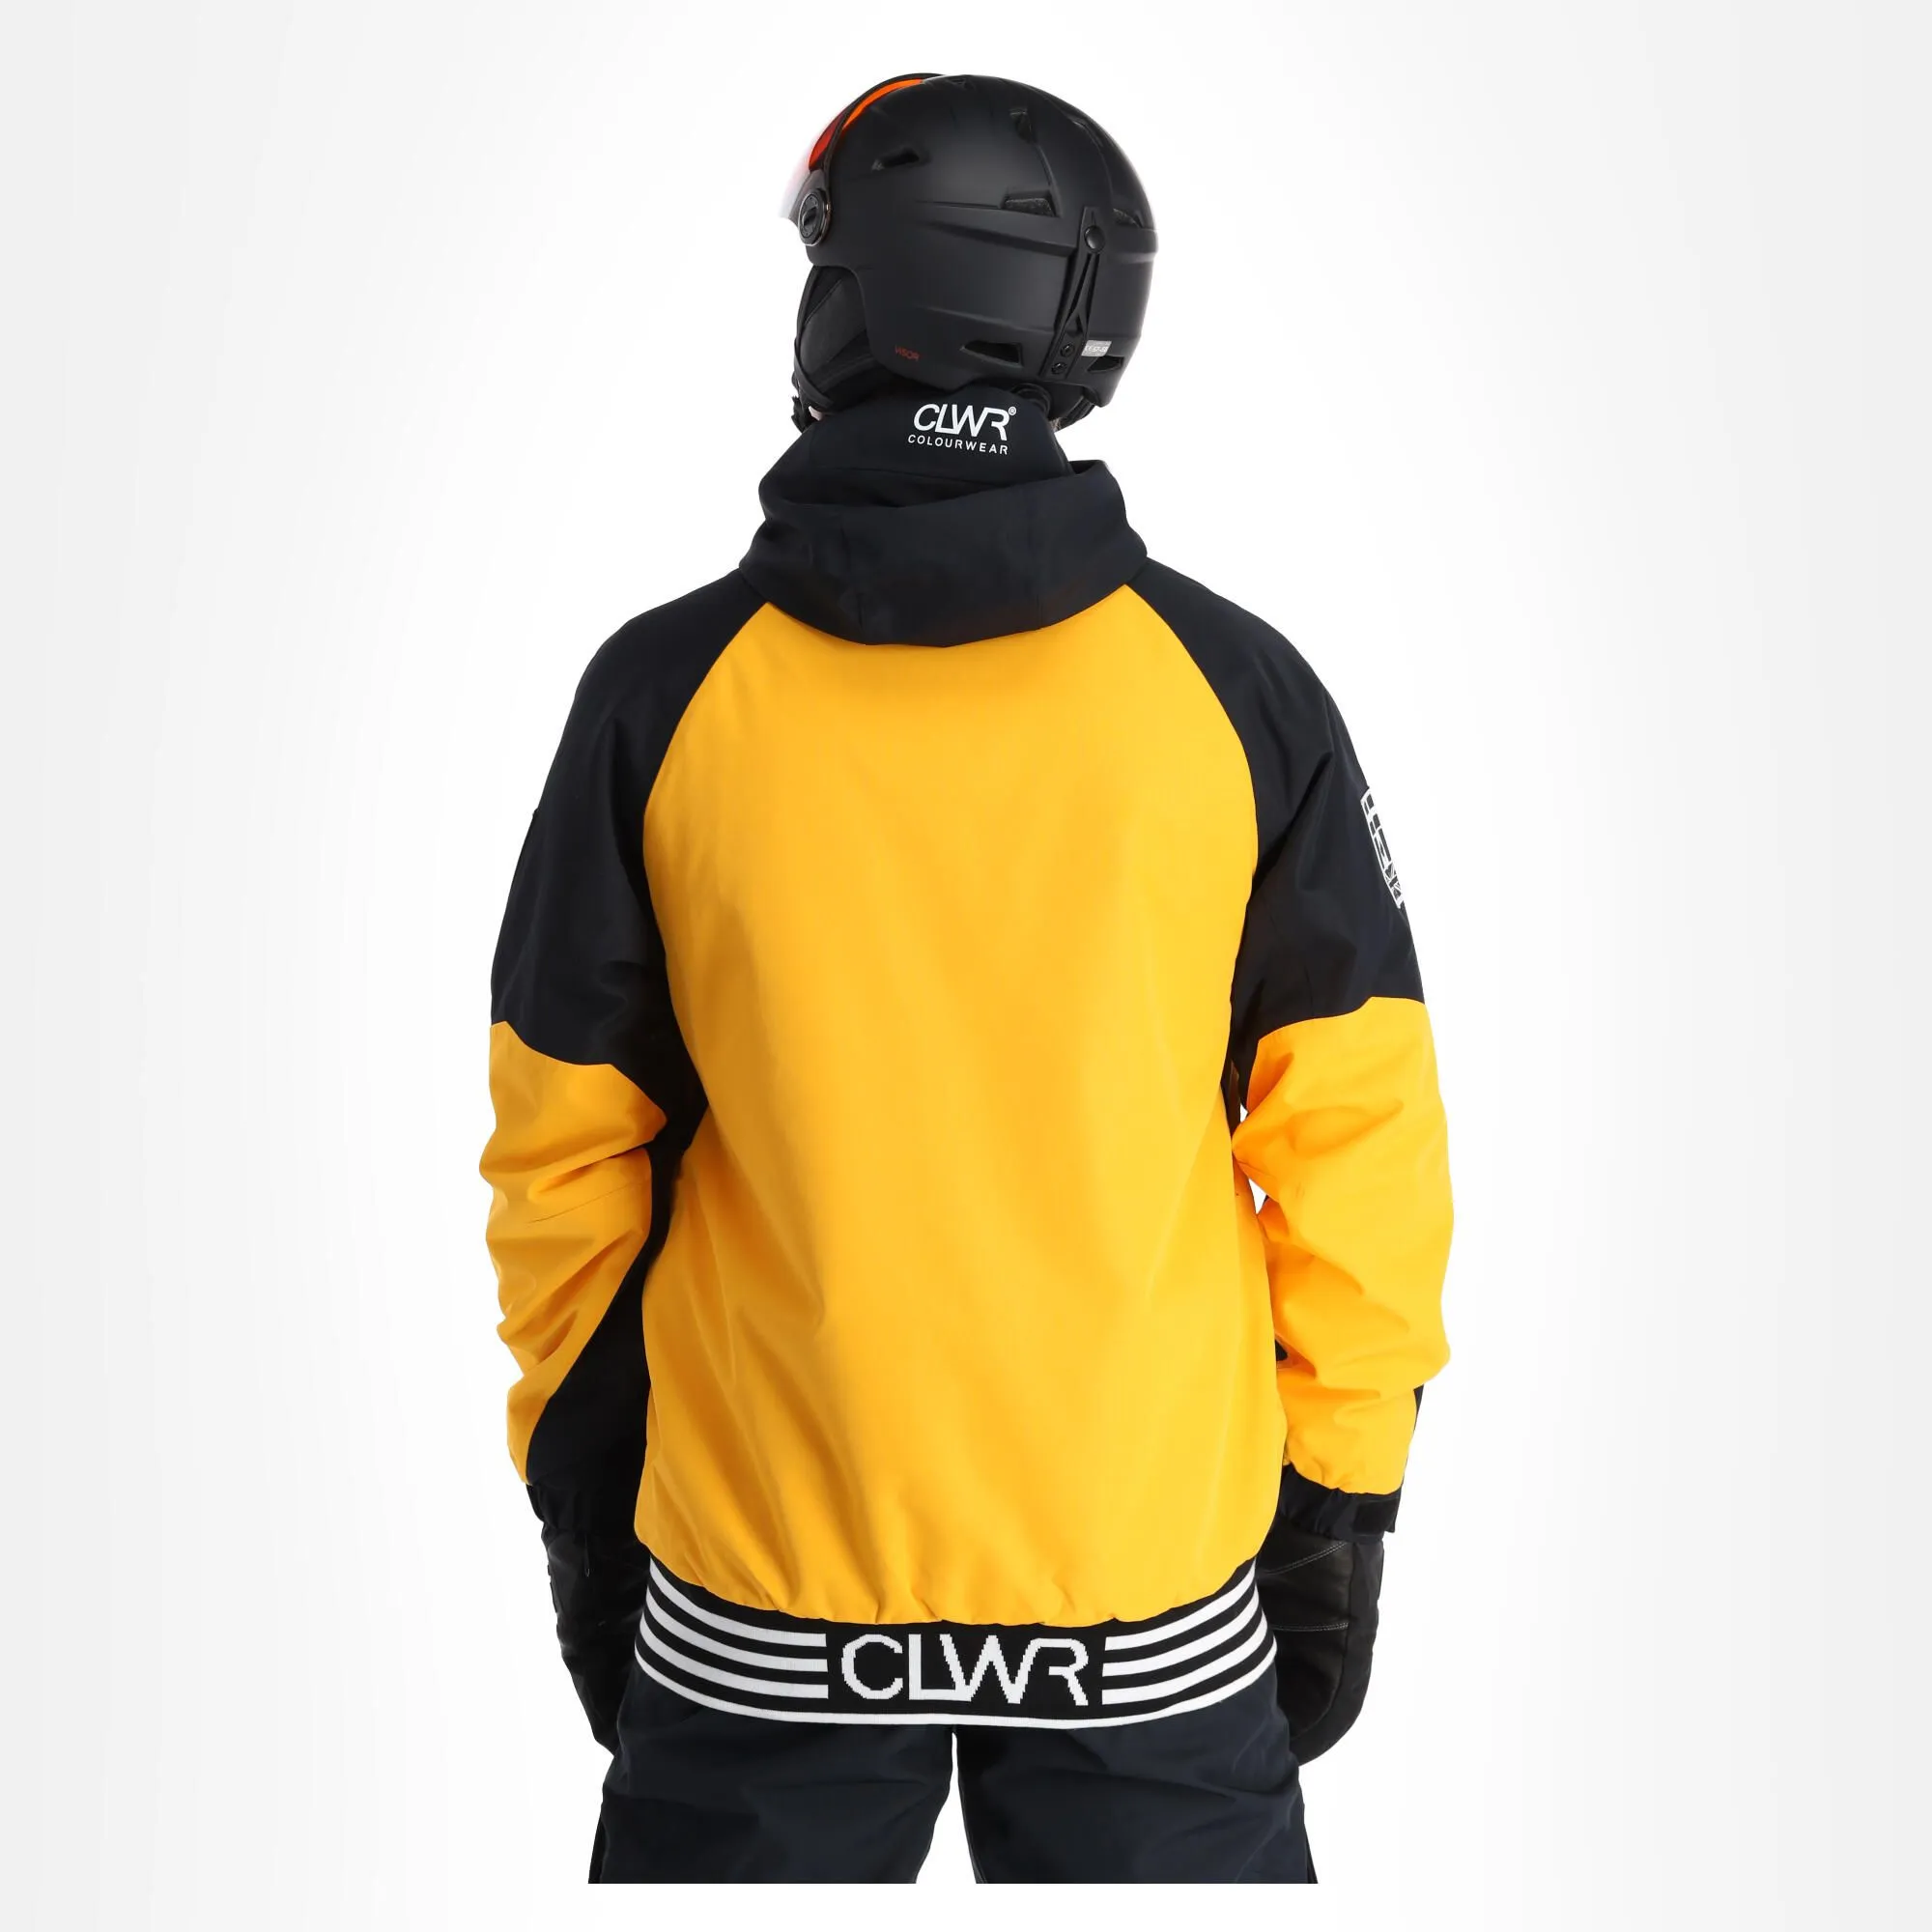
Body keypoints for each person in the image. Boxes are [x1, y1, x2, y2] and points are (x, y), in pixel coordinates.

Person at [481, 71, 1453, 1885]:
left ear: (855, 302)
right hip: (1148, 1597)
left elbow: (565, 1152)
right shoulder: (1234, 696)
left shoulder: (665, 698)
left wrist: (592, 1497)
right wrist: (1338, 1504)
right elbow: (1359, 1142)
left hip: (765, 1592)